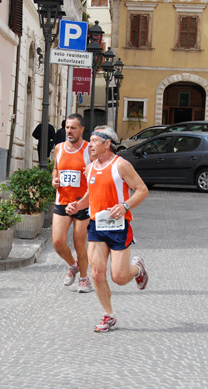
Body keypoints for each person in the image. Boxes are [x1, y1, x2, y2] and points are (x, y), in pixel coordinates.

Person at [66, 125, 149, 333]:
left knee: (119, 278)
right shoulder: (90, 167)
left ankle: (137, 268)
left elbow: (142, 190)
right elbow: (89, 197)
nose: (90, 144)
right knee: (97, 274)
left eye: (94, 141)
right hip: (96, 227)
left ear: (107, 144)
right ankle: (109, 315)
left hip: (120, 227)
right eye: (90, 140)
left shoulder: (121, 165)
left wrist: (125, 206)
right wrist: (77, 205)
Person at [51, 114, 92, 293]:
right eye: (67, 127)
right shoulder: (59, 148)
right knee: (58, 242)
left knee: (79, 243)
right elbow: (55, 169)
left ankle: (84, 279)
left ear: (81, 129)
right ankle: (72, 265)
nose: (69, 131)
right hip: (62, 200)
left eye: (73, 128)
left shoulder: (89, 149)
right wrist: (54, 180)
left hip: (82, 203)